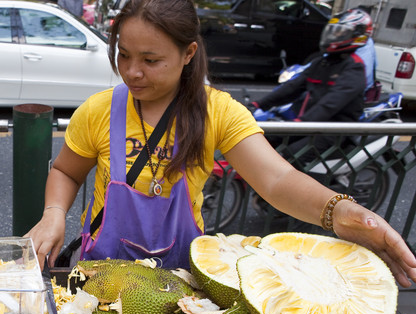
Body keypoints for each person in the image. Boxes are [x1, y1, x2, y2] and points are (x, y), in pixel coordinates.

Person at [24, 0, 416, 288]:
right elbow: (65, 170)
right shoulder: (100, 110)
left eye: (150, 59)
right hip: (99, 277)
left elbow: (277, 180)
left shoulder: (219, 112)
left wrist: (341, 212)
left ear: (188, 54)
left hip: (179, 283)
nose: (131, 71)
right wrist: (54, 212)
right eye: (123, 55)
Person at [247, 8, 372, 166]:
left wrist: (301, 123)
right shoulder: (322, 62)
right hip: (309, 124)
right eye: (333, 32)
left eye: (340, 33)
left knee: (293, 155)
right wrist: (259, 104)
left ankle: (294, 190)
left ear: (356, 36)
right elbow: (293, 87)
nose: (333, 36)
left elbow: (330, 104)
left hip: (333, 130)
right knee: (263, 138)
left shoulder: (354, 67)